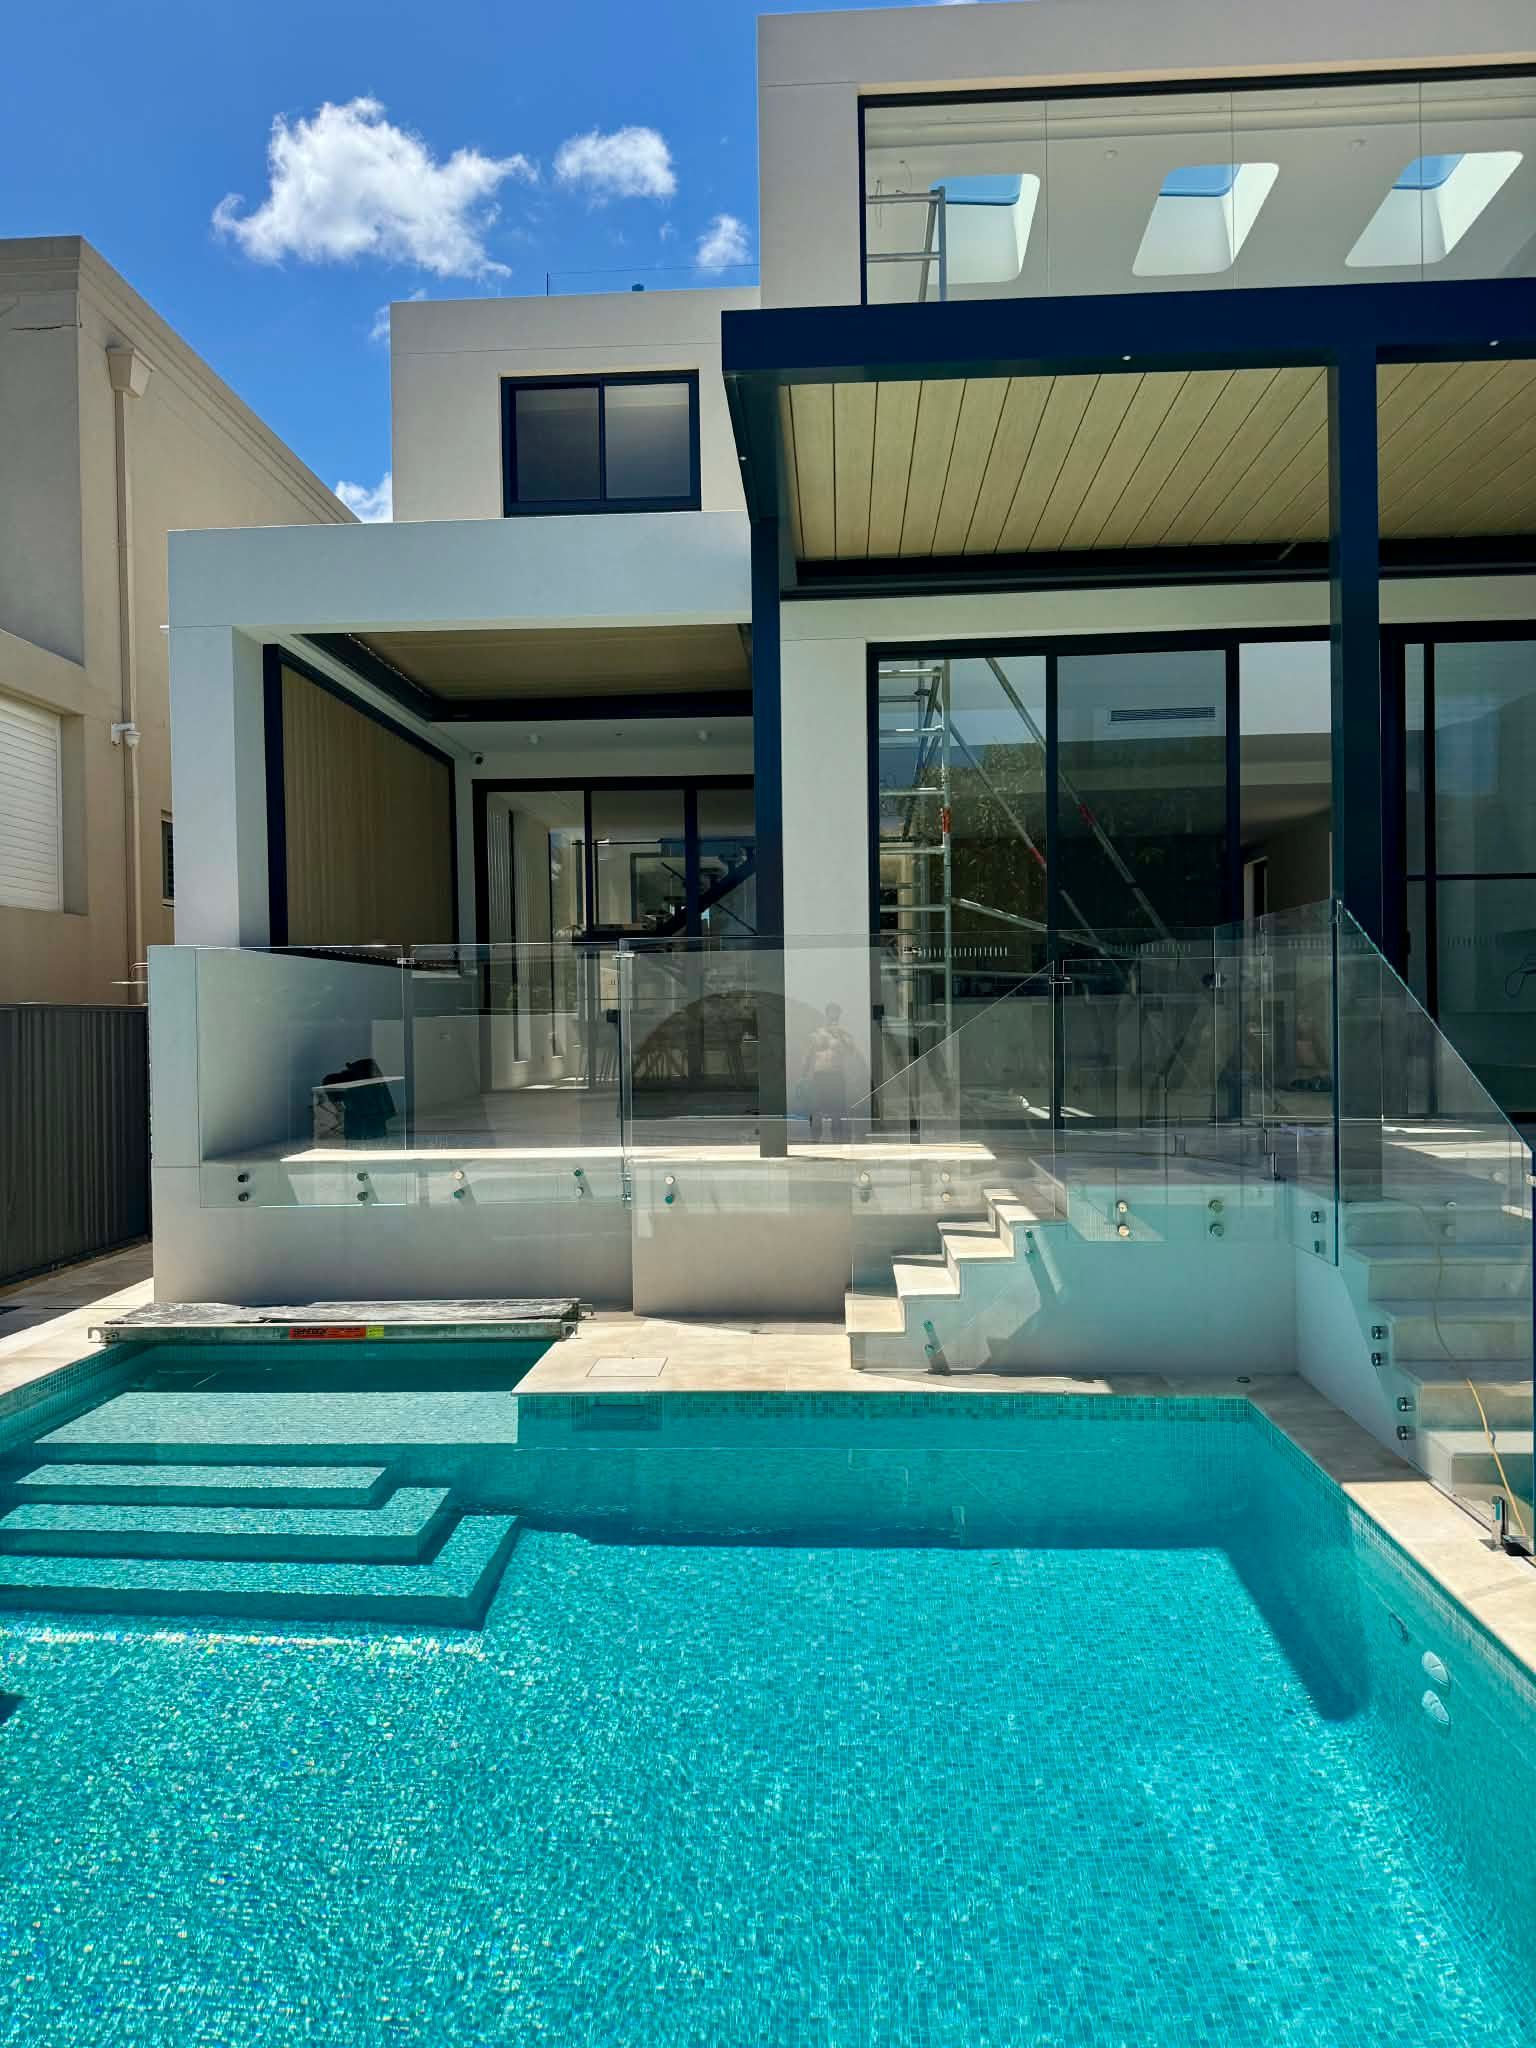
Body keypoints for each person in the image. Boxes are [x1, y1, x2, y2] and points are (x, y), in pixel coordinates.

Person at [800, 1003, 857, 1144]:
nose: (833, 1015)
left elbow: (851, 1051)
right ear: (826, 1014)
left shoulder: (843, 1033)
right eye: (831, 1012)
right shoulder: (817, 1033)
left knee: (837, 1110)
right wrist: (802, 1076)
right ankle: (814, 1141)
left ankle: (837, 1142)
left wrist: (841, 1036)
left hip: (836, 1075)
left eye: (836, 1013)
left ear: (839, 1015)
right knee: (816, 1109)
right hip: (819, 1075)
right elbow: (808, 1055)